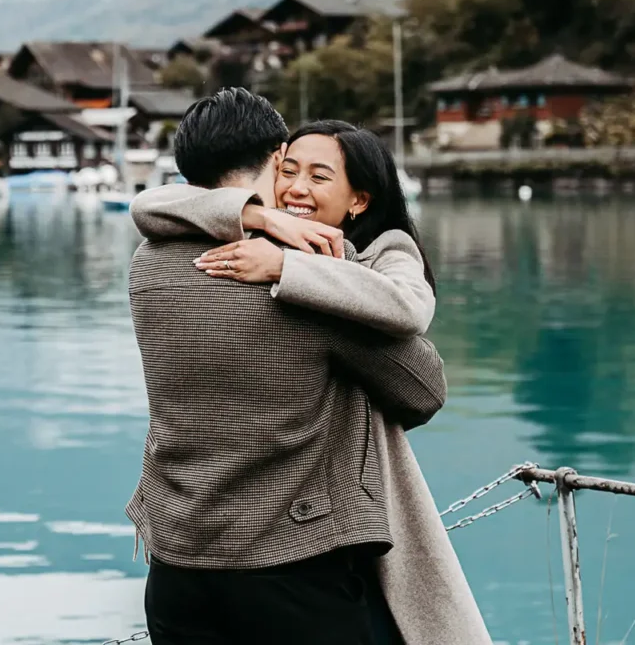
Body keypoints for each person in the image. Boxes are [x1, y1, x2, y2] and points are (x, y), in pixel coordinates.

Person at [133, 116, 494, 645]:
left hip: (176, 556)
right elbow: (422, 390)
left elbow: (150, 205)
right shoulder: (297, 269)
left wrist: (278, 248)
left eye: (319, 176)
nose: (297, 187)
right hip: (296, 562)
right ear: (276, 160)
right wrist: (278, 243)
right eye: (291, 169)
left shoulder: (149, 262)